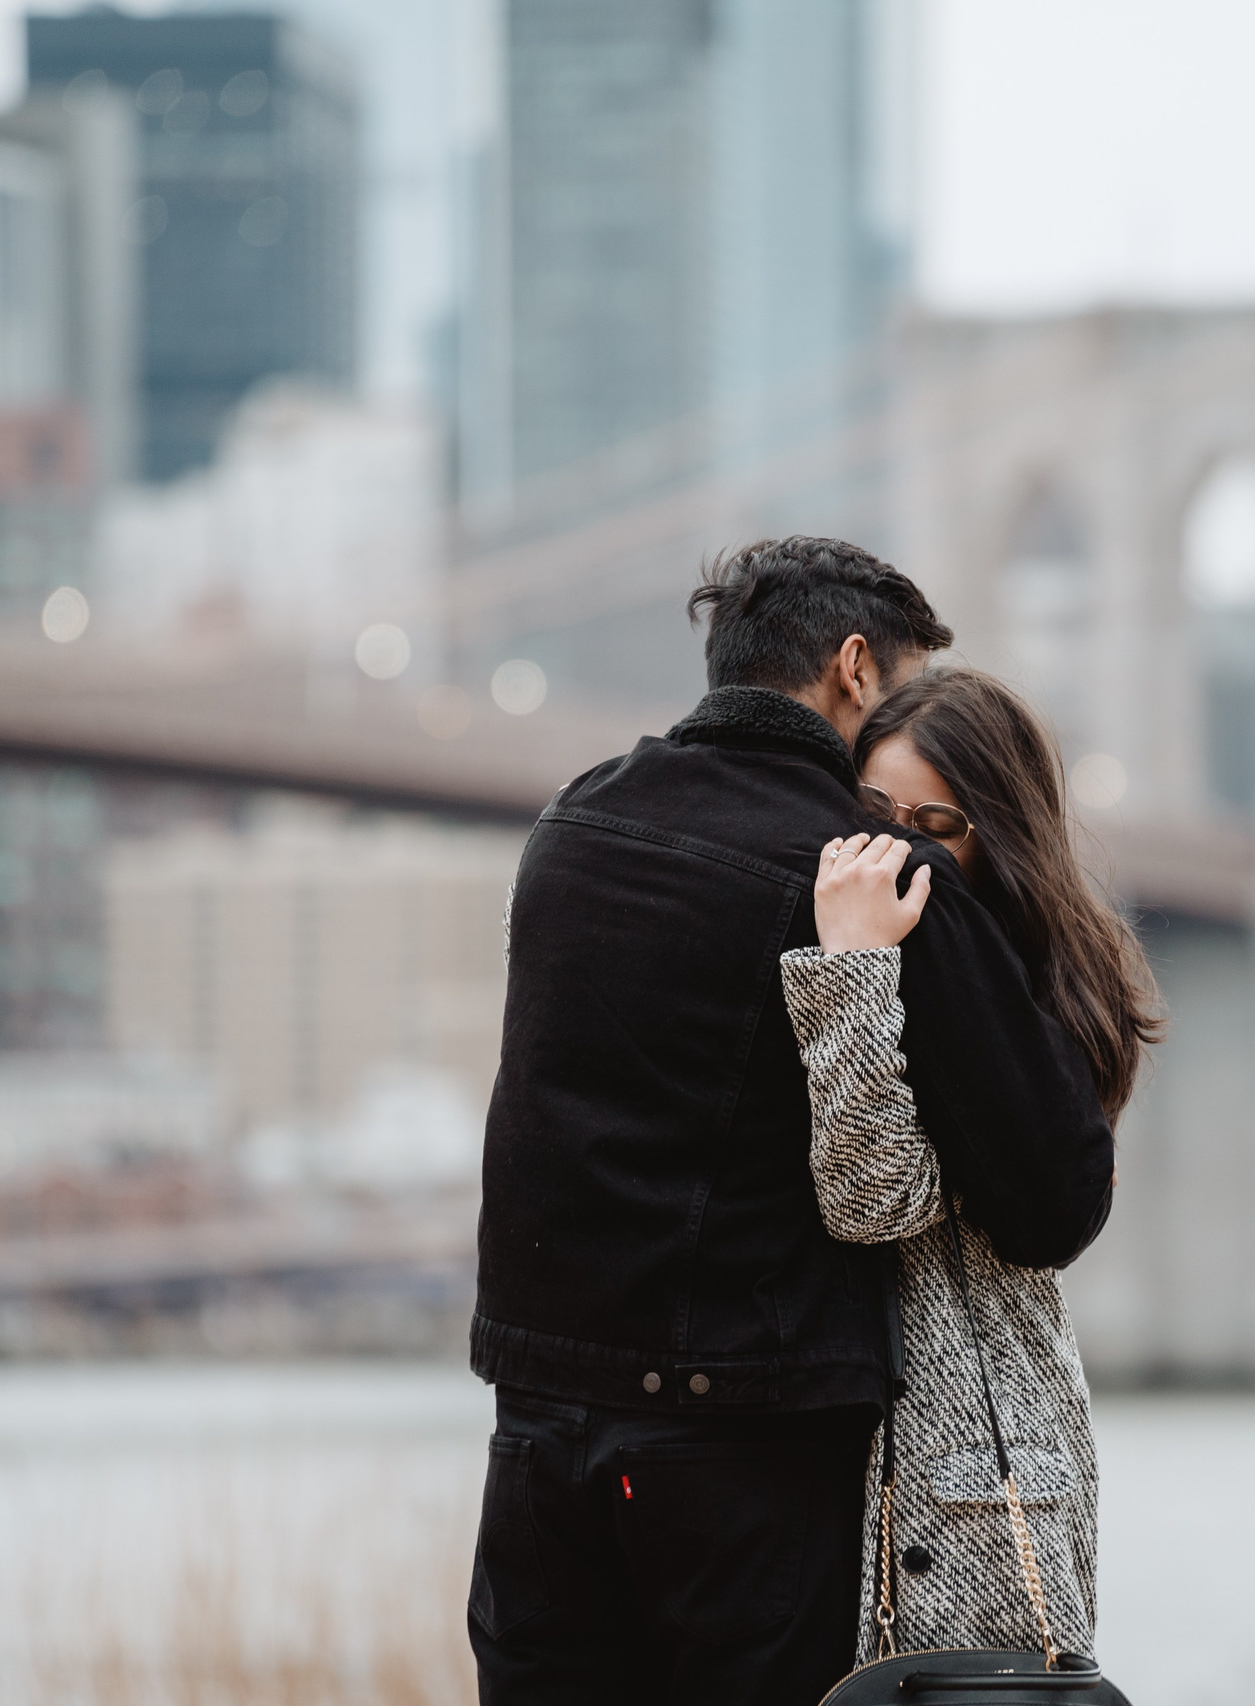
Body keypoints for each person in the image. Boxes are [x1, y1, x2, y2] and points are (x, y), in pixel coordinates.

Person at [469, 538, 1118, 1706]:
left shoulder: (569, 828)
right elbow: (1056, 1194)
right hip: (741, 1471)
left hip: (537, 1448)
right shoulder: (871, 871)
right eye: (907, 680)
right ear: (856, 669)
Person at [781, 666, 1160, 1668]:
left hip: (975, 1484)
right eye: (871, 812)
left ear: (997, 835)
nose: (894, 847)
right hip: (909, 1466)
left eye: (932, 824)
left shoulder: (1023, 996)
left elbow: (870, 1195)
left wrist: (853, 968)